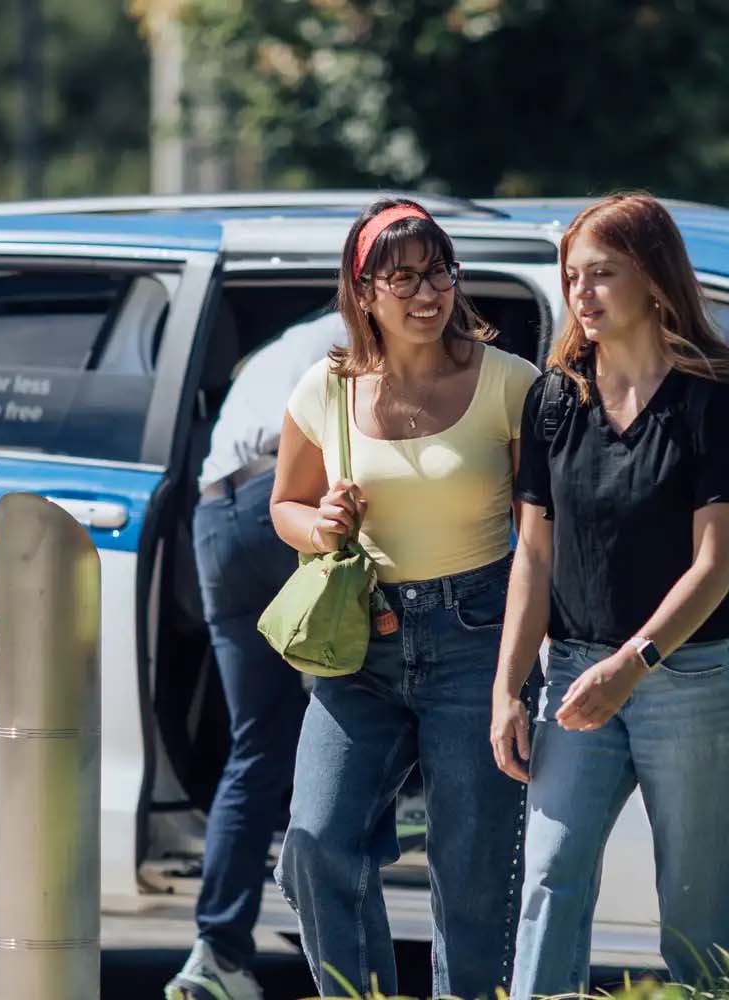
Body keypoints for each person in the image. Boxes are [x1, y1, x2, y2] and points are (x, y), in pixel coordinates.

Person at [490, 192, 729, 995]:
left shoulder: (715, 398)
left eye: (603, 274)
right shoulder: (553, 399)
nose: (582, 294)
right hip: (576, 672)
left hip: (685, 678)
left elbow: (714, 566)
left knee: (701, 918)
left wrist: (634, 663)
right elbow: (533, 559)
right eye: (572, 275)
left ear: (655, 280)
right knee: (549, 878)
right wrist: (509, 688)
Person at [270, 199, 541, 998]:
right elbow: (284, 507)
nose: (429, 294)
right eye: (405, 277)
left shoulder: (509, 385)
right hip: (363, 644)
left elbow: (542, 540)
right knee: (316, 842)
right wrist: (320, 526)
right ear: (363, 291)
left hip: (478, 637)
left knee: (473, 877)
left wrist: (513, 679)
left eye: (441, 272)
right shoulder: (325, 387)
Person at [166, 310, 346, 1000]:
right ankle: (407, 795)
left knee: (256, 749)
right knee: (373, 693)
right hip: (288, 503)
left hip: (217, 521)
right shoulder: (376, 333)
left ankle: (217, 955)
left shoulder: (282, 345)